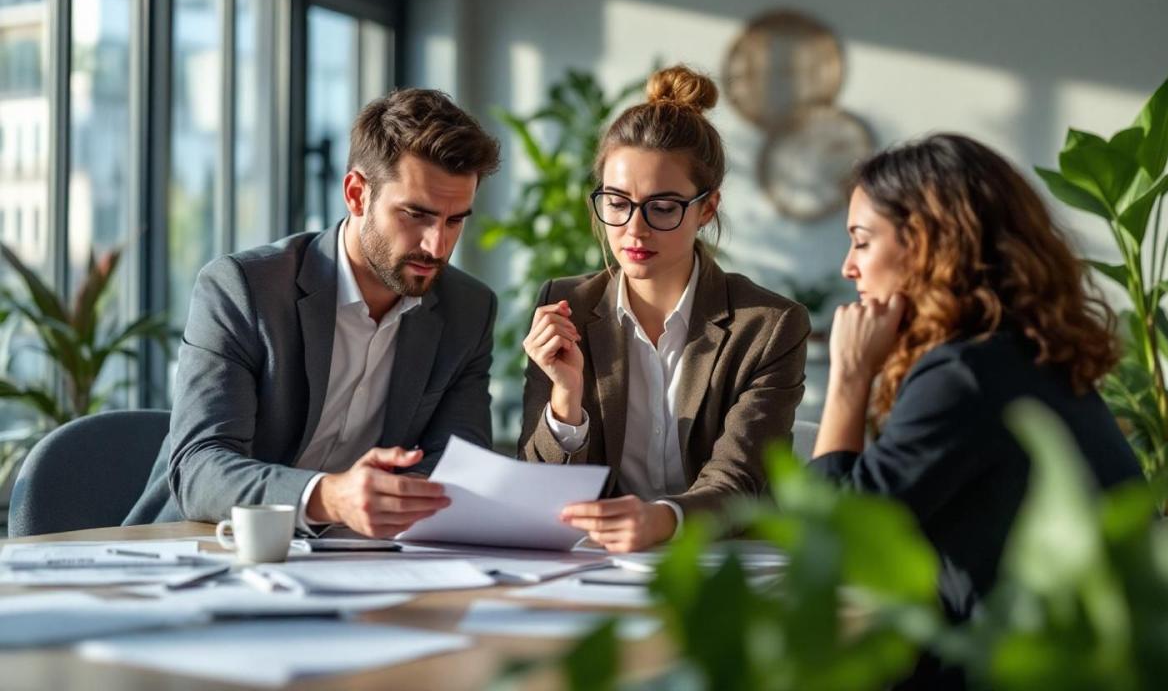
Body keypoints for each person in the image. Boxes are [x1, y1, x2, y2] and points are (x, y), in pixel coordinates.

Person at [126, 88, 501, 538]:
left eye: (455, 220)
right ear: (357, 194)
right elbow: (200, 469)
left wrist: (401, 501)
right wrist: (331, 497)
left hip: (361, 562)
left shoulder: (468, 310)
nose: (436, 245)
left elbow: (459, 463)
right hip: (206, 549)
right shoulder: (244, 290)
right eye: (416, 215)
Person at [810, 133, 1142, 624]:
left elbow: (833, 544)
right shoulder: (1020, 358)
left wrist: (849, 377)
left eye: (862, 241)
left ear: (924, 242)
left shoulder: (963, 376)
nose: (849, 267)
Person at [519, 65, 811, 553]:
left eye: (663, 206)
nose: (634, 230)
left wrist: (663, 520)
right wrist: (565, 401)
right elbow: (536, 492)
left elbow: (740, 482)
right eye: (617, 202)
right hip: (593, 568)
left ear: (707, 208)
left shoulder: (767, 326)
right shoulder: (564, 305)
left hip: (721, 562)